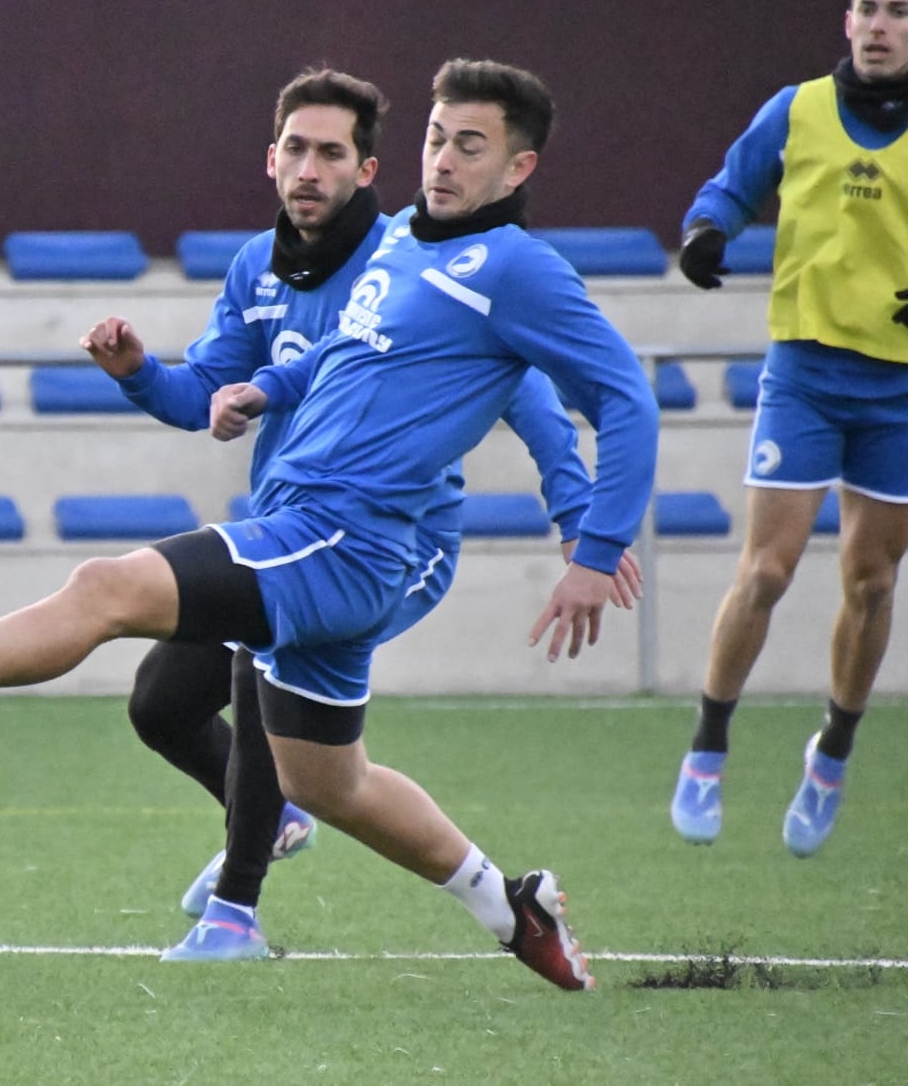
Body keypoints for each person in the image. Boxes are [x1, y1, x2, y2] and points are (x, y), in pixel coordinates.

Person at [0, 58, 660, 991]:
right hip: (318, 532)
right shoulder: (401, 243)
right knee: (328, 785)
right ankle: (510, 909)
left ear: (518, 169)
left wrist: (593, 544)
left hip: (345, 536)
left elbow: (622, 398)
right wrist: (267, 385)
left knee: (108, 588)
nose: (443, 160)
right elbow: (341, 354)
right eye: (437, 138)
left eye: (471, 146)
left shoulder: (516, 266)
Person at [80, 68, 631, 960]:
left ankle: (234, 910)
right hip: (286, 527)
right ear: (270, 159)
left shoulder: (413, 256)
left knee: (261, 663)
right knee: (160, 703)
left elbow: (530, 398)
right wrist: (140, 374)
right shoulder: (258, 267)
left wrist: (579, 521)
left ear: (368, 170)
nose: (310, 170)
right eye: (296, 149)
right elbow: (203, 396)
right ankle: (278, 818)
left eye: (332, 153)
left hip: (396, 541)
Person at [668, 0, 908, 858]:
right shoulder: (797, 108)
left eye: (900, 12)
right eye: (868, 8)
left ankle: (832, 754)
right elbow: (729, 188)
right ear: (847, 21)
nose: (880, 25)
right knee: (767, 571)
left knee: (871, 581)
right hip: (805, 373)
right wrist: (706, 232)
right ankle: (706, 748)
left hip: (900, 389)